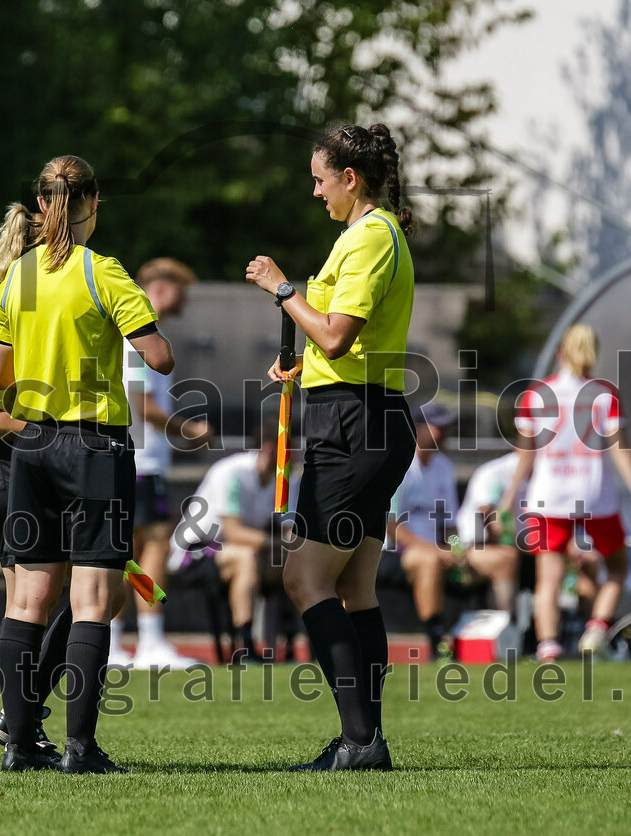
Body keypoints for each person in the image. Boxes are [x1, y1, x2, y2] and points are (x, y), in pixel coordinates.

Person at [0, 154, 174, 774]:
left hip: (32, 447)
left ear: (42, 206)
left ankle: (18, 744)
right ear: (94, 202)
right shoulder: (104, 272)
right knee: (94, 600)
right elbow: (160, 356)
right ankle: (80, 748)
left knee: (27, 601)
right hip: (95, 447)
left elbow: (0, 376)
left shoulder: (21, 276)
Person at [246, 122, 416, 771]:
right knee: (356, 586)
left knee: (303, 576)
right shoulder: (362, 235)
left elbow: (339, 335)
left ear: (351, 178)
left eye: (321, 179)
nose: (314, 191)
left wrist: (282, 287)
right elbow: (330, 342)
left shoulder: (372, 236)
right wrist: (302, 364)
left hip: (354, 424)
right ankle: (367, 737)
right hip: (359, 416)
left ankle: (359, 741)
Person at [499, 324, 631, 662]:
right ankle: (596, 628)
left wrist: (508, 499)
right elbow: (619, 450)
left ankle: (548, 647)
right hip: (595, 494)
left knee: (548, 578)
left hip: (548, 495)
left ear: (560, 352)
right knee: (617, 566)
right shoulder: (604, 394)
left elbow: (526, 455)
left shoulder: (536, 395)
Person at [0, 234, 71, 759]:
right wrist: (57, 436)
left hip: (39, 467)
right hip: (12, 468)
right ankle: (20, 721)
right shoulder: (6, 314)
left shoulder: (37, 314)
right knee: (29, 599)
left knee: (95, 594)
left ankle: (21, 715)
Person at [110, 258, 214, 671]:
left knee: (125, 554)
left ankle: (115, 643)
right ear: (163, 287)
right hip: (139, 461)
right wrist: (188, 430)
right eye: (181, 288)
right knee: (151, 547)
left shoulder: (128, 334)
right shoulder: (140, 337)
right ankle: (150, 639)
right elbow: (142, 404)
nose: (185, 298)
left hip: (131, 458)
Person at [387, 405, 519, 659]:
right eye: (439, 427)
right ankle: (438, 642)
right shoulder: (397, 462)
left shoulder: (444, 467)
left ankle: (506, 635)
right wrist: (433, 549)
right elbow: (389, 525)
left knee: (504, 558)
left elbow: (450, 526)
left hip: (439, 550)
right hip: (398, 553)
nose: (446, 432)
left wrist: (457, 548)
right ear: (418, 429)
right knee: (429, 560)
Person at [168, 416, 295, 662]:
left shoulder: (287, 480)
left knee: (294, 562)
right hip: (195, 552)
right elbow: (235, 533)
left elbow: (289, 530)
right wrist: (280, 544)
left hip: (238, 551)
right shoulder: (232, 473)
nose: (295, 458)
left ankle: (293, 646)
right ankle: (246, 648)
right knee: (245, 557)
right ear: (270, 449)